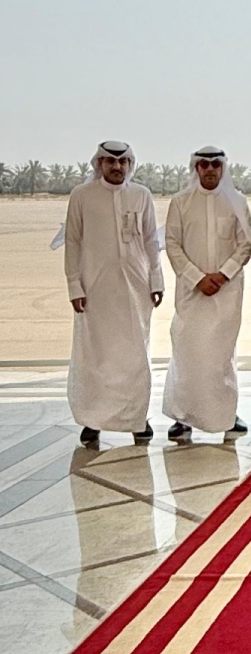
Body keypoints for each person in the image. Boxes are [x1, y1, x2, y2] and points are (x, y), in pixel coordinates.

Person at [64, 141, 164, 446]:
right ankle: (93, 420)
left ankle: (136, 419)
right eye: (110, 161)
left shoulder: (141, 195)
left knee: (134, 356)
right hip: (94, 291)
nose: (117, 166)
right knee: (95, 355)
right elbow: (73, 242)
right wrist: (74, 285)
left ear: (130, 164)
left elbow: (151, 241)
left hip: (135, 289)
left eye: (122, 161)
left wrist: (156, 281)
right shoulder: (82, 196)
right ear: (100, 164)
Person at [163, 147, 251, 440]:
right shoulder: (180, 202)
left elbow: (245, 245)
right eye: (204, 164)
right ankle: (182, 418)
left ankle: (226, 415)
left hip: (226, 293)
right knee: (187, 353)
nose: (210, 169)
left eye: (216, 164)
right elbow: (172, 244)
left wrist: (223, 274)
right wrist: (197, 278)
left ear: (223, 168)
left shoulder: (238, 202)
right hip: (192, 293)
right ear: (196, 168)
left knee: (221, 357)